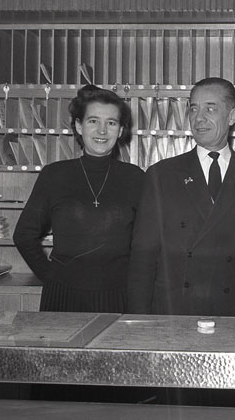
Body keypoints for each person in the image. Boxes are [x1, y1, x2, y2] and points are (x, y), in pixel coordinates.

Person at [128, 77, 235, 317]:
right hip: (172, 312)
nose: (198, 118)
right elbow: (142, 257)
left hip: (230, 312)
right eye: (193, 108)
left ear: (232, 116)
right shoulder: (161, 175)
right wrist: (138, 320)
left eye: (210, 109)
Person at [13, 84, 144, 313]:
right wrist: (51, 276)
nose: (102, 131)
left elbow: (148, 243)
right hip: (63, 296)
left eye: (111, 123)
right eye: (93, 121)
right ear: (78, 126)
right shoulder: (54, 175)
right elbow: (24, 235)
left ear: (121, 130)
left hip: (120, 296)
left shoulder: (135, 177)